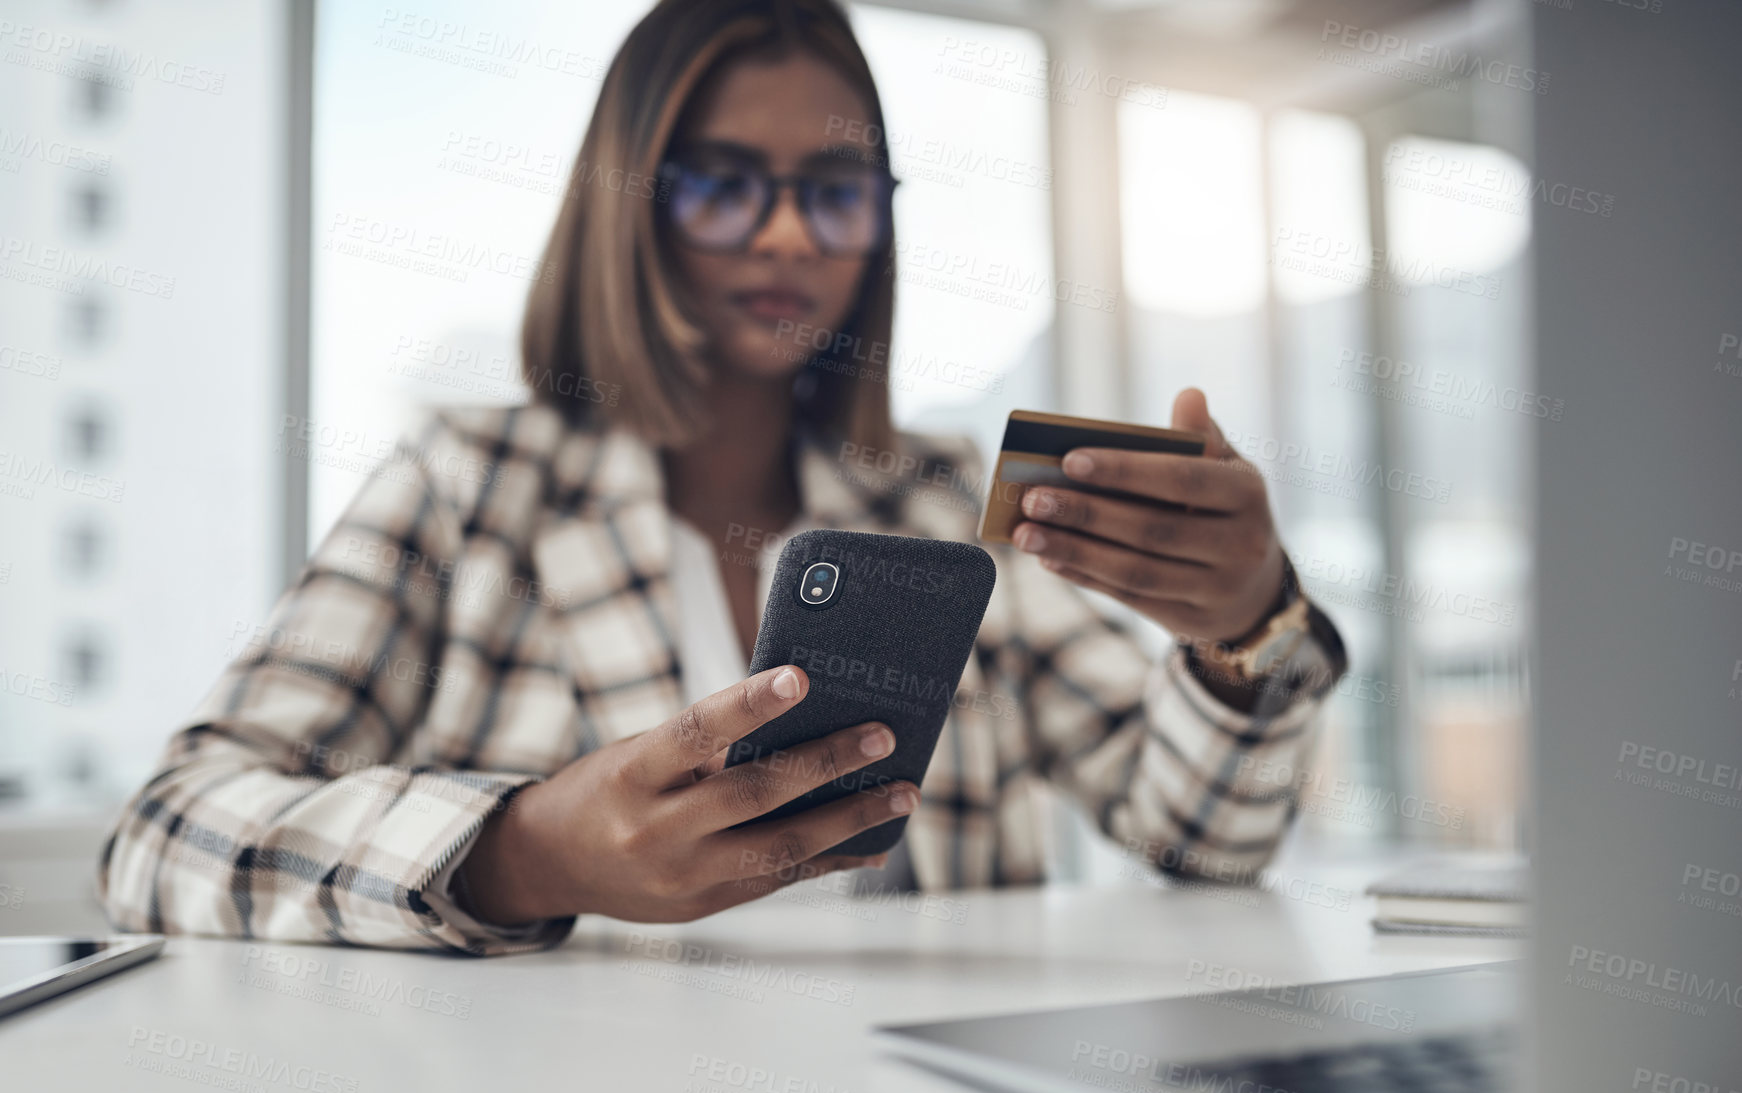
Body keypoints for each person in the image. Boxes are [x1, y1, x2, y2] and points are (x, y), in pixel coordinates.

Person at [97, 0, 1345, 955]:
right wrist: (521, 854)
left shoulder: (935, 496)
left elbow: (1192, 843)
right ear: (628, 208)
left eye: (835, 189)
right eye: (722, 184)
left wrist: (1244, 632)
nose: (791, 235)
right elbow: (162, 833)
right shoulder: (464, 488)